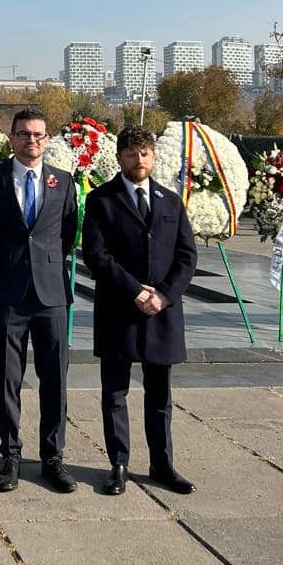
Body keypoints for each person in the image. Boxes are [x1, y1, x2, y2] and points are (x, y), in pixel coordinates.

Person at [81, 125, 198, 496]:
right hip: (119, 310)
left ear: (153, 156)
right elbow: (96, 255)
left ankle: (162, 465)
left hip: (162, 313)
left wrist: (164, 295)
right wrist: (134, 291)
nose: (138, 160)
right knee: (115, 394)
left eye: (144, 153)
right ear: (119, 157)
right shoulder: (102, 199)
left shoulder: (170, 201)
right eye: (131, 154)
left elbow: (186, 256)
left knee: (159, 396)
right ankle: (118, 465)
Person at [0, 108, 78, 493]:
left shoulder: (63, 181)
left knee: (55, 379)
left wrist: (44, 264)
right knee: (8, 378)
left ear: (46, 139)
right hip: (8, 291)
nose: (30, 140)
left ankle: (52, 457)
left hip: (51, 294)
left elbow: (67, 232)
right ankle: (11, 456)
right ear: (11, 137)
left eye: (37, 134)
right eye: (23, 134)